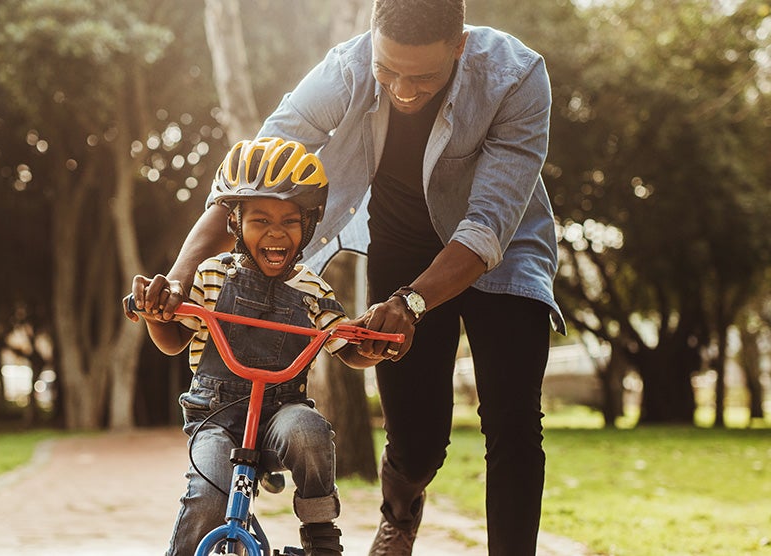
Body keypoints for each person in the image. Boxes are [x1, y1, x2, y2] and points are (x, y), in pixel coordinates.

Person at [153, 1, 565, 554]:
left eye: (423, 76)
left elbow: (487, 226)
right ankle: (401, 511)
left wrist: (413, 303)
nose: (403, 90)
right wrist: (179, 278)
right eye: (388, 69)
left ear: (460, 45)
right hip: (402, 244)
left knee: (513, 422)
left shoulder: (516, 76)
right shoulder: (345, 70)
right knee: (417, 443)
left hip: (504, 247)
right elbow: (254, 174)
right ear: (372, 39)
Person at [127, 137, 389, 556]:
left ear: (309, 224)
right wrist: (159, 316)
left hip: (279, 417)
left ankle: (321, 535)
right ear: (234, 222)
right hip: (215, 418)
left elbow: (345, 344)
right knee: (209, 495)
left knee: (309, 430)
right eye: (260, 220)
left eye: (290, 220)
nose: (275, 233)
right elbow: (174, 341)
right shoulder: (213, 275)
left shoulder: (312, 289)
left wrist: (370, 346)